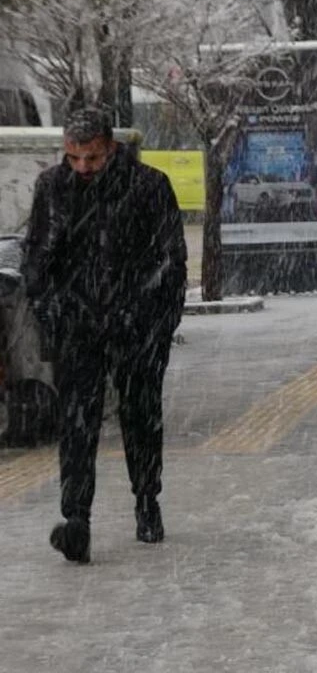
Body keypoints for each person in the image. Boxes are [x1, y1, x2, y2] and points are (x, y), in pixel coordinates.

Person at [21, 108, 187, 563]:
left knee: (140, 415)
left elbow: (171, 259)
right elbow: (36, 256)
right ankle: (76, 520)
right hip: (77, 325)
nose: (82, 167)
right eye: (73, 157)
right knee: (76, 424)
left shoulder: (148, 185)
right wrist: (50, 310)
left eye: (92, 157)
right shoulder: (52, 187)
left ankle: (147, 500)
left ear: (110, 147)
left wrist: (156, 322)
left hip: (136, 325)